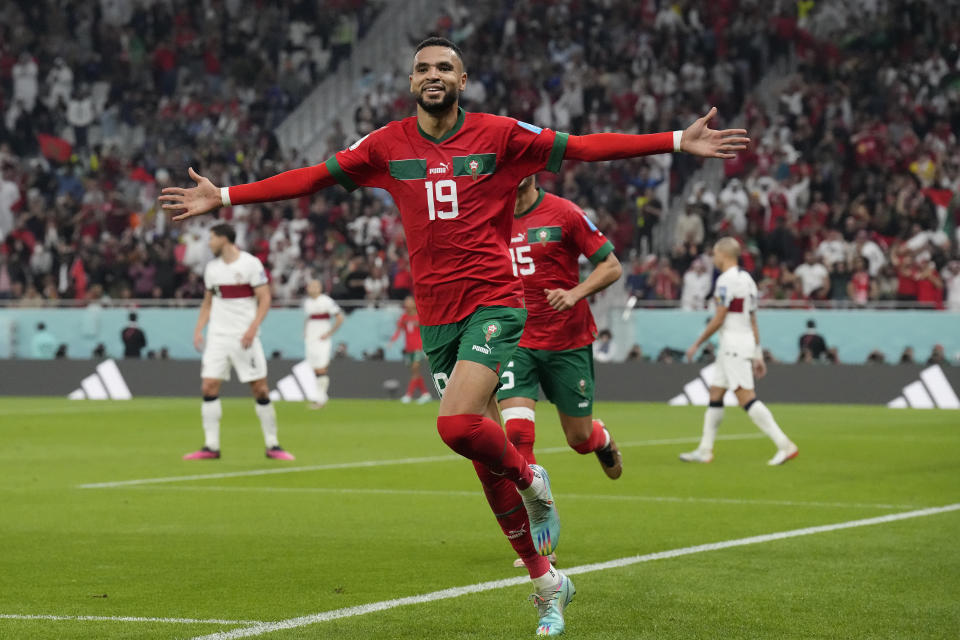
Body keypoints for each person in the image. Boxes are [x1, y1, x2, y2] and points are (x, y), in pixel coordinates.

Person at [159, 37, 748, 635]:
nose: (432, 75)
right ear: (411, 81)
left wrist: (676, 140)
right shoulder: (386, 146)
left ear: (462, 79)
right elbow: (311, 178)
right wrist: (226, 196)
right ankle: (546, 581)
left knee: (455, 424)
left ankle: (531, 477)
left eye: (444, 67)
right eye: (422, 68)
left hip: (495, 302)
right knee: (478, 458)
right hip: (436, 317)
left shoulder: (501, 136)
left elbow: (587, 147)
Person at [498, 177, 625, 534]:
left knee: (578, 439)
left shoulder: (565, 214)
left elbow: (611, 266)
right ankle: (539, 521)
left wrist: (575, 293)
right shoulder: (492, 214)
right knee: (518, 436)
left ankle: (599, 437)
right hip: (515, 340)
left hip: (567, 340)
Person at [681, 238, 798, 466]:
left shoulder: (725, 280)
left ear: (723, 255)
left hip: (733, 344)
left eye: (715, 254)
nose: (714, 259)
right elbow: (752, 319)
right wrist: (758, 353)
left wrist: (697, 343)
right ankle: (705, 450)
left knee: (745, 397)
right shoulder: (748, 280)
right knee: (715, 393)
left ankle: (785, 445)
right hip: (739, 343)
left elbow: (720, 316)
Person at [183, 223, 294, 461]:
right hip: (218, 337)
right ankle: (211, 447)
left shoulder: (250, 264)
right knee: (208, 386)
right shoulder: (212, 269)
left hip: (244, 336)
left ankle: (273, 445)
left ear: (225, 239)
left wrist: (253, 329)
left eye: (212, 238)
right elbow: (208, 302)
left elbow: (264, 299)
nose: (209, 243)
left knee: (260, 388)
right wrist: (198, 329)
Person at [303, 279, 344, 409]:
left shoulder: (326, 301)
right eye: (311, 286)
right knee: (315, 368)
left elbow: (339, 318)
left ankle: (320, 400)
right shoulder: (307, 302)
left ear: (320, 288)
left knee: (321, 368)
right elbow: (308, 318)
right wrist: (305, 331)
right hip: (311, 339)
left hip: (322, 339)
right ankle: (322, 398)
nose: (313, 288)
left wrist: (329, 333)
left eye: (316, 286)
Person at [390, 295, 430, 404]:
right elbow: (398, 330)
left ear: (414, 303)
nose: (406, 304)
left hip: (418, 348)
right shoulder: (404, 317)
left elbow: (426, 333)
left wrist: (427, 349)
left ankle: (409, 395)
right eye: (405, 302)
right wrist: (392, 341)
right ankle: (425, 393)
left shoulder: (420, 317)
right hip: (409, 349)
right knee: (415, 372)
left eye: (409, 301)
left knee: (415, 370)